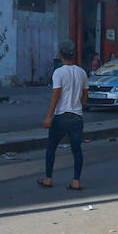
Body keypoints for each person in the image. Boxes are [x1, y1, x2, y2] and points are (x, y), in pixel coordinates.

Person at [39, 39, 88, 190]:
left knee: (51, 147)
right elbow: (85, 95)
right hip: (76, 117)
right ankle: (76, 180)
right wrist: (77, 104)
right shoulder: (82, 72)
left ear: (60, 54)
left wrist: (48, 116)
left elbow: (56, 95)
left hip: (61, 116)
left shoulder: (58, 73)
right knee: (77, 150)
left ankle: (48, 178)